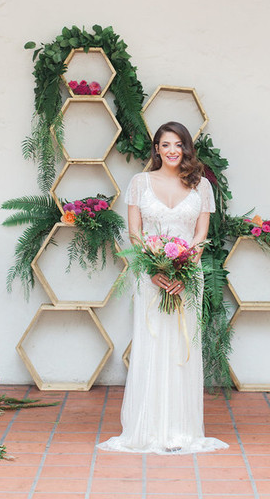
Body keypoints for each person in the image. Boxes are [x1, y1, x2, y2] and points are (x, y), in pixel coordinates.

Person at [98, 121, 229, 454]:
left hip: (188, 276)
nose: (173, 151)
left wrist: (184, 268)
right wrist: (153, 269)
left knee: (182, 347)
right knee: (153, 344)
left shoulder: (201, 186)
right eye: (165, 144)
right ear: (156, 148)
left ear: (187, 148)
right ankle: (147, 427)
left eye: (179, 145)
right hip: (150, 276)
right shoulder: (140, 183)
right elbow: (135, 234)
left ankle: (181, 429)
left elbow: (201, 234)